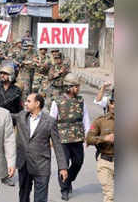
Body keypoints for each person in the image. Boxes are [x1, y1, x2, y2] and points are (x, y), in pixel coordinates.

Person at [13, 93, 68, 202]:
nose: (25, 103)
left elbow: (57, 145)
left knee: (40, 198)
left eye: (29, 101)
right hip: (24, 163)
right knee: (23, 196)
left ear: (37, 103)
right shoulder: (21, 116)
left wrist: (62, 167)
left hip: (41, 165)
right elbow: (7, 115)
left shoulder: (50, 121)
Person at [49, 73, 91, 201]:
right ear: (68, 87)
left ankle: (69, 179)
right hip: (62, 139)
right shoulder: (57, 102)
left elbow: (86, 119)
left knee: (78, 162)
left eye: (78, 86)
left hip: (77, 138)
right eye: (75, 86)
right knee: (64, 164)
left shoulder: (81, 101)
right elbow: (52, 121)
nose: (78, 89)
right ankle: (64, 189)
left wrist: (88, 135)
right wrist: (51, 138)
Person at [86, 92, 115, 202]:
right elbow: (89, 139)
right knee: (110, 194)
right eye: (112, 103)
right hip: (105, 161)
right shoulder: (100, 121)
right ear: (108, 104)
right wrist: (104, 139)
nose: (114, 105)